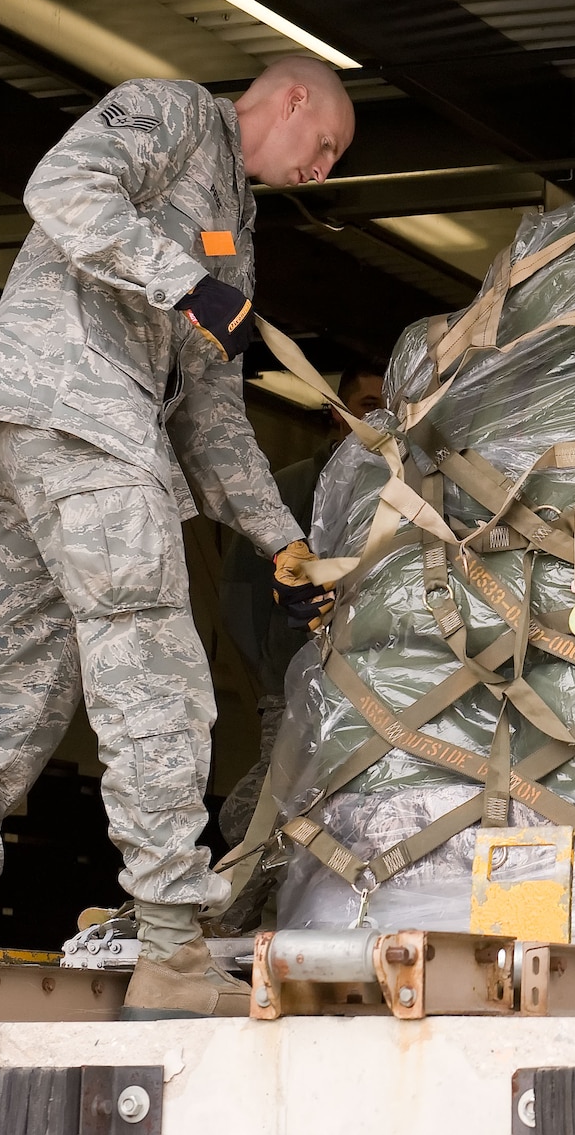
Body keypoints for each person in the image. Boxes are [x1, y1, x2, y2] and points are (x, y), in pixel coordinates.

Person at [0, 56, 351, 1019]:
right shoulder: (174, 112)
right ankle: (172, 944)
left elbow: (214, 411)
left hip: (56, 434)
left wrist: (281, 541)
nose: (323, 169)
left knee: (26, 675)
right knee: (148, 655)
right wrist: (182, 277)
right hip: (78, 412)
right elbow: (62, 185)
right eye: (326, 146)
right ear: (295, 98)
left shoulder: (237, 227)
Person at [216, 364, 384, 853]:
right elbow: (239, 590)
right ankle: (229, 906)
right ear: (336, 412)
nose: (379, 417)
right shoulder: (291, 490)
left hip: (374, 679)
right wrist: (278, 662)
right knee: (271, 799)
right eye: (367, 405)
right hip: (298, 674)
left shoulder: (404, 487)